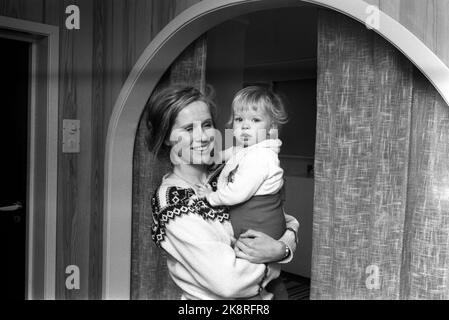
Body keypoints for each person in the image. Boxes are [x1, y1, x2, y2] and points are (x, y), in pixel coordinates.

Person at [148, 85, 299, 300]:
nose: (202, 137)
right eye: (189, 129)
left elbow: (287, 222)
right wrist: (273, 262)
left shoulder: (229, 171)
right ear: (166, 138)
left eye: (207, 125)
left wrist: (281, 249)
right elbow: (229, 283)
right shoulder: (172, 201)